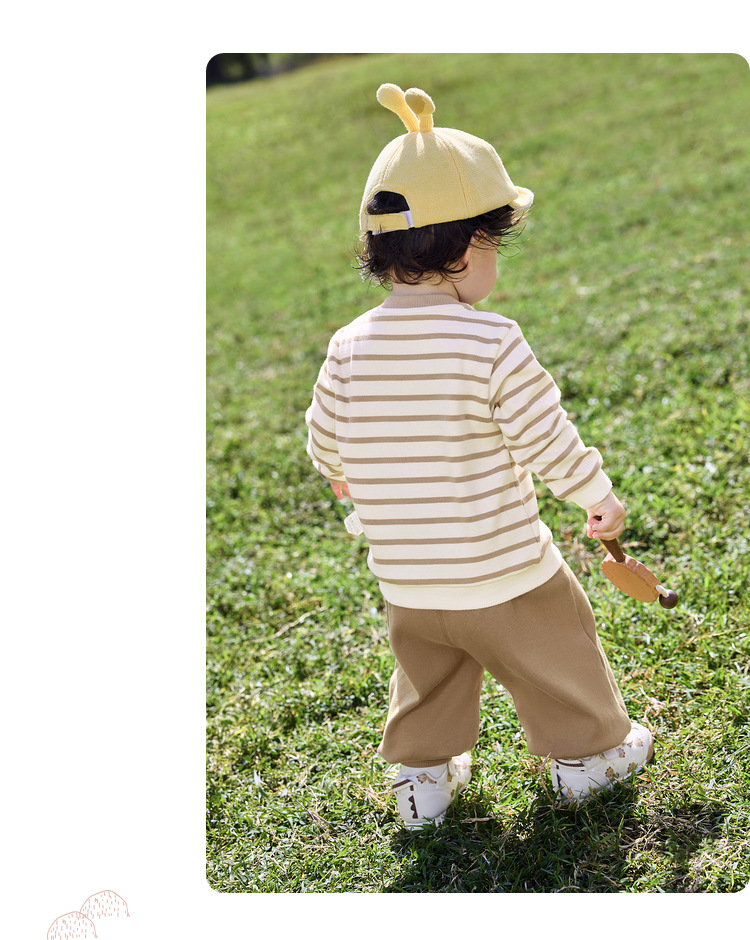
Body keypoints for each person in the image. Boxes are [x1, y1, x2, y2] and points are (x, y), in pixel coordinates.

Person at [305, 83, 653, 829]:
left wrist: (338, 472)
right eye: (494, 247)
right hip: (503, 568)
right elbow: (545, 436)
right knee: (557, 649)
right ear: (468, 251)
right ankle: (587, 759)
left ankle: (423, 784)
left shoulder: (349, 345)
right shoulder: (491, 341)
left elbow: (323, 432)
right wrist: (596, 496)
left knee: (427, 675)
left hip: (408, 580)